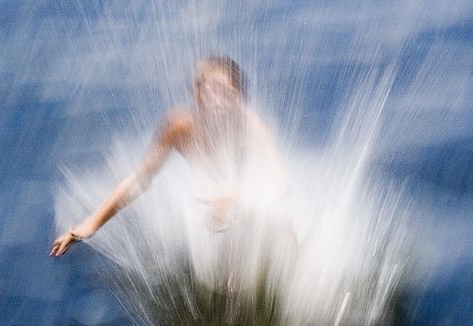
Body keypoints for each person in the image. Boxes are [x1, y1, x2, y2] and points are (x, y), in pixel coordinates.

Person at [50, 56, 294, 257]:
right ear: (196, 94)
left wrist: (241, 200)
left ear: (239, 98)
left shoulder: (249, 125)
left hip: (253, 203)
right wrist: (90, 225)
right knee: (220, 234)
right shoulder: (180, 127)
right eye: (209, 91)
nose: (217, 101)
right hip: (216, 210)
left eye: (227, 93)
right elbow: (139, 181)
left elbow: (281, 184)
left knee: (285, 236)